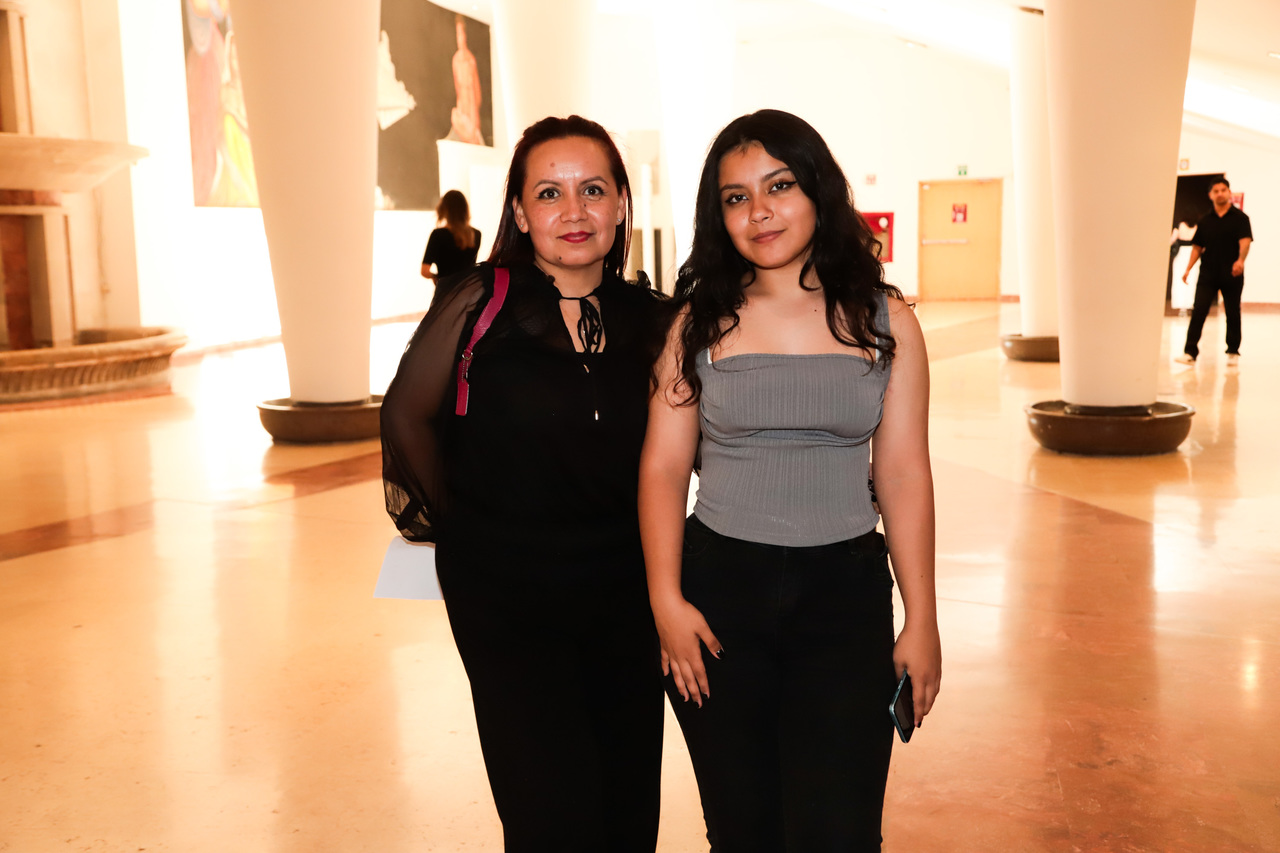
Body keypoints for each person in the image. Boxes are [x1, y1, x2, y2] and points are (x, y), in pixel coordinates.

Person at [638, 110, 941, 852]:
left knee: (840, 829)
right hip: (720, 594)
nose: (760, 212)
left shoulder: (886, 320)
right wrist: (666, 601)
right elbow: (663, 468)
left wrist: (922, 617)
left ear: (818, 190)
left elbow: (903, 473)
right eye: (736, 197)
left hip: (844, 596)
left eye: (779, 186)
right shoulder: (696, 323)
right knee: (743, 828)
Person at [381, 115, 665, 853]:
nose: (574, 211)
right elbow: (406, 415)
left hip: (627, 595)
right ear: (518, 209)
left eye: (593, 190)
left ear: (621, 202)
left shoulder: (652, 319)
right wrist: (469, 525)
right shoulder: (480, 302)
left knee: (628, 806)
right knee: (550, 814)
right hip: (509, 599)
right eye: (549, 192)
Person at [1177, 178, 1253, 366]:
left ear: (1229, 192)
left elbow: (1245, 241)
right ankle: (1190, 352)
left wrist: (1240, 261)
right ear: (1210, 195)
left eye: (1223, 190)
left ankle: (1233, 351)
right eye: (1216, 191)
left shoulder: (1241, 219)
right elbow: (1197, 247)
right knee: (1199, 311)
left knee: (1232, 312)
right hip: (1208, 274)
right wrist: (1188, 268)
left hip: (1232, 274)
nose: (1220, 194)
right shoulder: (1205, 220)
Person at [420, 189, 481, 287]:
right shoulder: (476, 234)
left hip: (445, 290)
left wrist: (436, 277)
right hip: (467, 289)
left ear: (444, 209)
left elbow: (424, 270)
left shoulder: (437, 235)